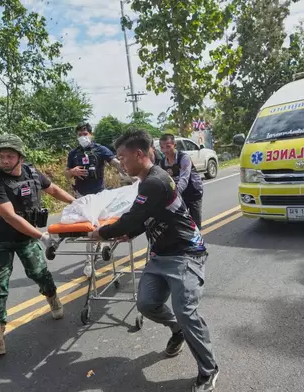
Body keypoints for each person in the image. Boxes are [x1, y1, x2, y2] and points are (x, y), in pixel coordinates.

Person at [88, 129, 219, 392]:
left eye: (123, 158)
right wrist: (130, 233)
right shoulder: (146, 181)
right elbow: (146, 216)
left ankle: (208, 369)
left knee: (186, 311)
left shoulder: (155, 181)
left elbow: (134, 216)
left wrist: (101, 233)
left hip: (185, 254)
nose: (120, 163)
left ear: (138, 154)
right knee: (146, 304)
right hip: (160, 254)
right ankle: (177, 330)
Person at [0, 134, 76, 356]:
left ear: (20, 157)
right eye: (1, 156)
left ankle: (52, 297)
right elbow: (11, 217)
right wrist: (41, 236)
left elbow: (53, 190)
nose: (4, 160)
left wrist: (77, 202)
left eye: (9, 156)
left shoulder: (32, 173)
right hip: (0, 241)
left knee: (40, 274)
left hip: (25, 239)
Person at [64, 122, 133, 278]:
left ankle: (104, 245)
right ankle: (89, 262)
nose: (82, 137)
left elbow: (115, 163)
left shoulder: (100, 150)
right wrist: (72, 171)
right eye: (80, 134)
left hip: (100, 195)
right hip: (82, 196)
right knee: (89, 229)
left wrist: (130, 174)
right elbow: (66, 174)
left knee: (101, 225)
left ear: (91, 134)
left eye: (85, 134)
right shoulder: (74, 154)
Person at [158, 134, 204, 229]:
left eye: (168, 146)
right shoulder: (162, 163)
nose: (165, 150)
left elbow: (184, 179)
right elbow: (160, 180)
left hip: (193, 192)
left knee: (195, 225)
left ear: (174, 145)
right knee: (179, 223)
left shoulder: (184, 158)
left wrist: (173, 195)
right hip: (178, 194)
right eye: (162, 147)